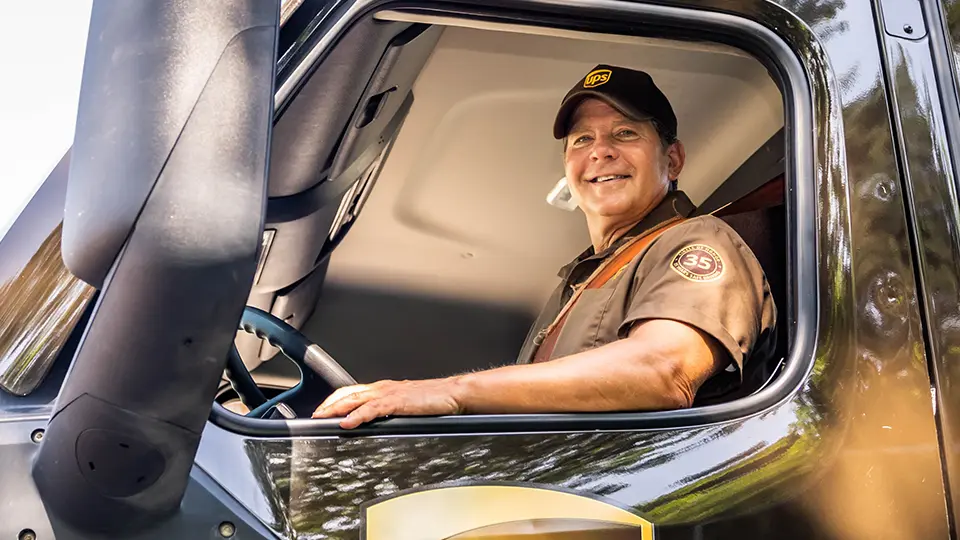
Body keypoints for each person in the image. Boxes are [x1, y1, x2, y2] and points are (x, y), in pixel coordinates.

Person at [312, 64, 777, 428]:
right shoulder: (579, 280)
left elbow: (663, 371)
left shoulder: (697, 241)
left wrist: (453, 391)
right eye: (582, 140)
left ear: (672, 159)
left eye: (625, 133)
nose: (600, 151)